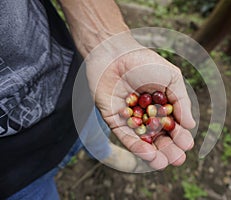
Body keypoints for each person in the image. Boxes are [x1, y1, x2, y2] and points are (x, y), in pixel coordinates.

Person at [0, 0, 195, 199]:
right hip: (13, 174)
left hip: (72, 87)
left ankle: (102, 152)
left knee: (96, 127)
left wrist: (108, 43)